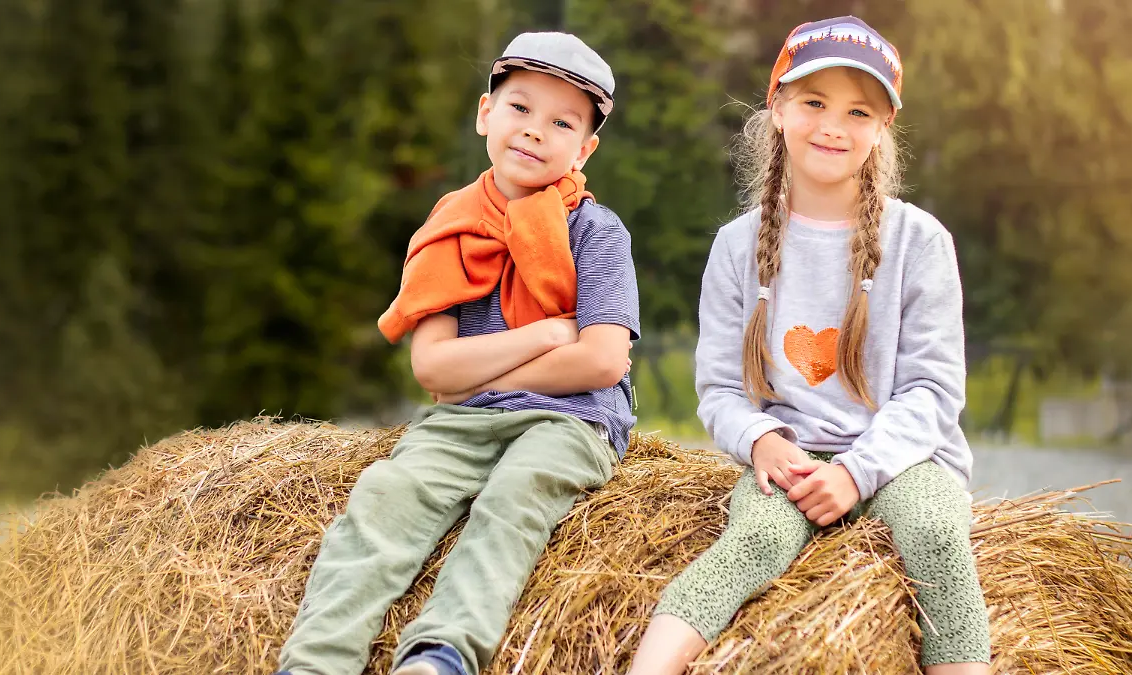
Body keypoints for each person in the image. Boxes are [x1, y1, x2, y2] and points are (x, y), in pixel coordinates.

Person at [627, 16, 990, 675]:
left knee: (937, 536)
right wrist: (762, 440)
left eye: (858, 111)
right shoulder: (737, 246)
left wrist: (855, 472)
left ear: (882, 127)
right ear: (778, 108)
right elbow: (719, 390)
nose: (832, 126)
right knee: (753, 541)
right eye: (814, 103)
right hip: (790, 454)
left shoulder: (920, 241)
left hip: (905, 454)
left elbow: (933, 391)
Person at [274, 31, 640, 675]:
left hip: (572, 418)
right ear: (484, 115)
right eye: (519, 108)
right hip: (462, 422)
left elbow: (604, 363)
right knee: (387, 499)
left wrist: (479, 377)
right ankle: (315, 661)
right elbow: (431, 369)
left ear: (585, 149)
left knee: (515, 498)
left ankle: (442, 652)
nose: (534, 131)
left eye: (561, 122)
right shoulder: (451, 227)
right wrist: (545, 334)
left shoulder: (596, 231)